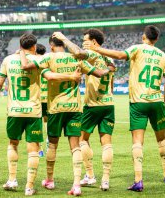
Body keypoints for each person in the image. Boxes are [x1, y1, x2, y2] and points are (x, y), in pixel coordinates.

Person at [0, 33, 81, 196]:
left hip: (14, 111)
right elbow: (50, 76)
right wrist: (71, 76)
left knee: (13, 144)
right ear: (34, 46)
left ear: (20, 45)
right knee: (33, 150)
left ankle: (12, 179)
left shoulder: (8, 60)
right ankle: (29, 186)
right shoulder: (37, 61)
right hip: (34, 112)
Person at [83, 25, 165, 192]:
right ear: (157, 39)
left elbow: (119, 55)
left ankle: (138, 180)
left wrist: (98, 48)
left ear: (143, 37)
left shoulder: (137, 49)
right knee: (161, 139)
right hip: (157, 101)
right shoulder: (163, 55)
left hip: (139, 102)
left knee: (138, 142)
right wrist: (164, 100)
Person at [20, 35, 110, 196]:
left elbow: (26, 66)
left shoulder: (48, 57)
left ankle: (50, 180)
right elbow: (100, 73)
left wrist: (21, 52)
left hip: (56, 108)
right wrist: (110, 68)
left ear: (51, 45)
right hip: (75, 108)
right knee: (75, 146)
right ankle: (76, 185)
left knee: (53, 145)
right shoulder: (76, 58)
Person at [52, 29, 115, 191]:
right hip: (108, 104)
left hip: (92, 105)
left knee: (82, 140)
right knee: (106, 143)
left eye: (85, 40)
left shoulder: (92, 54)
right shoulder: (108, 58)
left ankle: (90, 175)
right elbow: (111, 84)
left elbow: (79, 53)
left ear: (94, 42)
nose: (83, 42)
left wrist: (63, 39)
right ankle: (106, 180)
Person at [36, 43, 48, 157]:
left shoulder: (33, 63)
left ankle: (39, 148)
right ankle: (49, 141)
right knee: (48, 121)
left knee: (38, 123)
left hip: (37, 99)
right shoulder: (48, 62)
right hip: (49, 98)